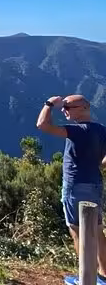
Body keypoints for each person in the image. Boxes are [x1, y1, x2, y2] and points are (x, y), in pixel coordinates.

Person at [36, 94, 106, 280]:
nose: (64, 111)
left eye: (68, 107)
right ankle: (104, 273)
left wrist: (49, 103)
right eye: (63, 108)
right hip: (95, 183)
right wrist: (97, 164)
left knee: (76, 229)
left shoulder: (78, 130)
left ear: (84, 108)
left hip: (75, 184)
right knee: (97, 229)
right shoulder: (101, 130)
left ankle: (87, 276)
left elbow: (42, 125)